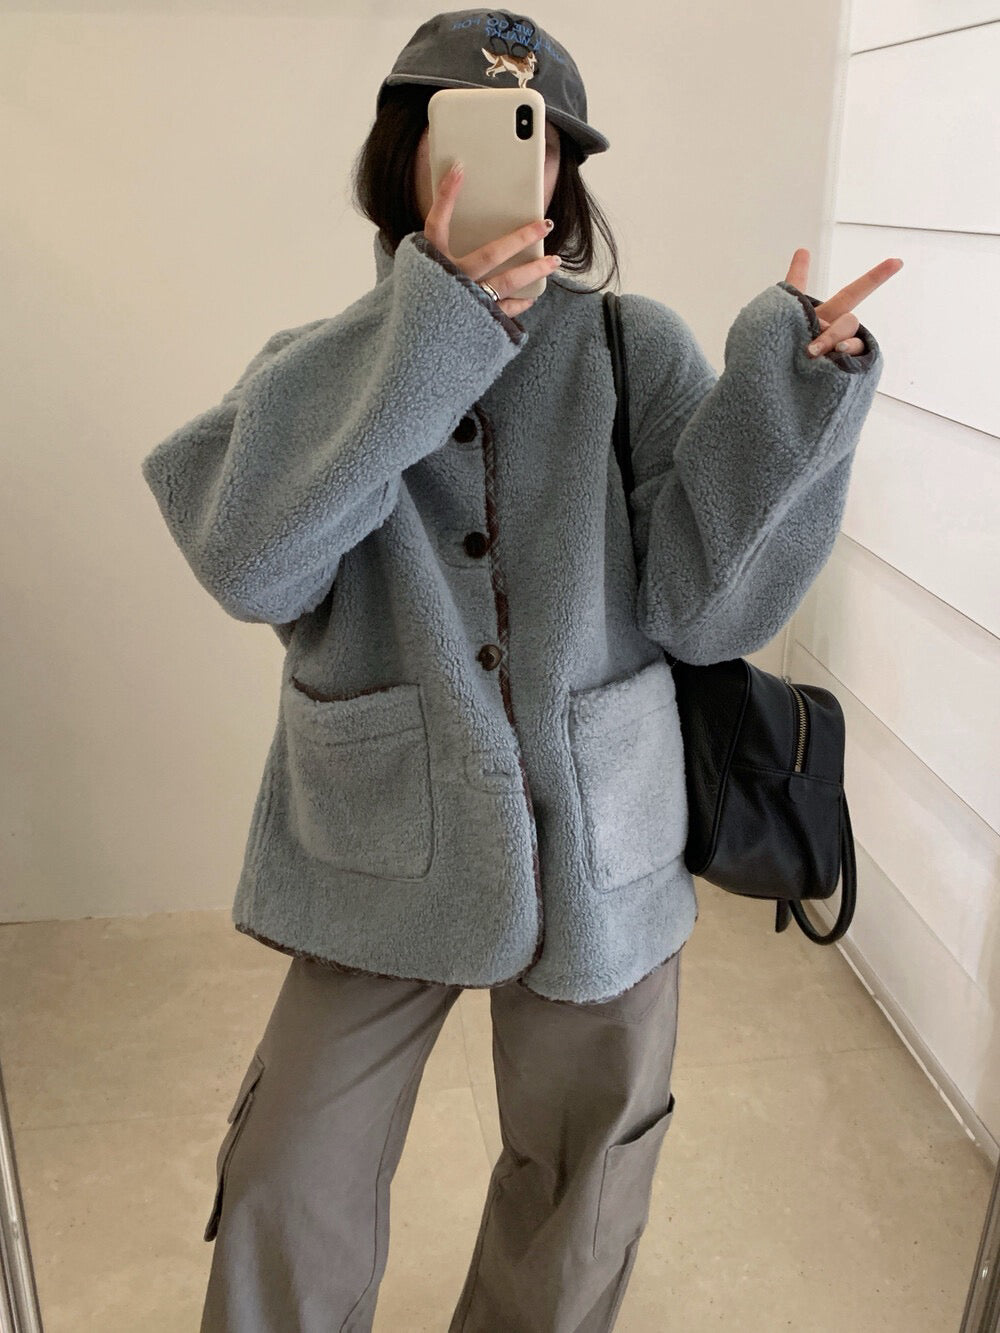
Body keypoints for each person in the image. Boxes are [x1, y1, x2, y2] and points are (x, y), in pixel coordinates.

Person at [140, 10, 899, 1330]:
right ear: (404, 152)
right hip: (383, 839)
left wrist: (792, 403)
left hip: (606, 834)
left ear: (565, 171)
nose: (506, 163)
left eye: (535, 137)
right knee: (291, 1171)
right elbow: (251, 565)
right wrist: (427, 334)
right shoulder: (320, 371)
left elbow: (701, 611)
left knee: (585, 1176)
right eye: (468, 130)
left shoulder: (633, 349)